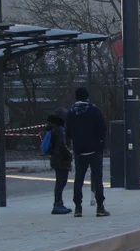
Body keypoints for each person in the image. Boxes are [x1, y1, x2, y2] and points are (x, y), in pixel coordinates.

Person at [68, 87, 109, 217]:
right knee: (97, 179)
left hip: (79, 150)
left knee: (79, 178)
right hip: (94, 149)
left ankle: (78, 207)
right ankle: (100, 207)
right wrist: (101, 141)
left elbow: (68, 131)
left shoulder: (71, 112)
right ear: (87, 97)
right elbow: (103, 128)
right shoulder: (93, 110)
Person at [46, 108, 73, 215]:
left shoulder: (52, 128)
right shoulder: (59, 129)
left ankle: (58, 203)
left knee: (60, 181)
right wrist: (69, 154)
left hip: (55, 158)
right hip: (61, 159)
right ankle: (58, 204)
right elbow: (62, 145)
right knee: (61, 181)